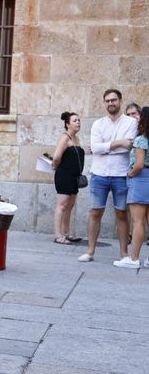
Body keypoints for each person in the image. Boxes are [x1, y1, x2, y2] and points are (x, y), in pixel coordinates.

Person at [78, 89, 137, 263]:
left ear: (120, 100)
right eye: (107, 101)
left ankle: (124, 253)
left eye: (114, 100)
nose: (110, 103)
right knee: (95, 211)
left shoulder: (130, 123)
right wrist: (118, 143)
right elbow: (95, 148)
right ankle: (90, 251)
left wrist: (106, 146)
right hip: (99, 173)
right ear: (104, 103)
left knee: (122, 213)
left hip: (121, 174)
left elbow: (129, 146)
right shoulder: (98, 124)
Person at [116, 106, 149, 268]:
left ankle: (134, 258)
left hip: (141, 179)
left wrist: (130, 174)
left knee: (137, 222)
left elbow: (139, 164)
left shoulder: (141, 140)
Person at [52, 112, 85, 245]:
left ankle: (66, 233)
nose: (78, 122)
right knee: (62, 205)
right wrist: (56, 167)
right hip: (64, 175)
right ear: (67, 124)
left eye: (79, 120)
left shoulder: (76, 139)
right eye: (75, 120)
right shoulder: (64, 138)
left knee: (70, 205)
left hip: (74, 177)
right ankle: (57, 235)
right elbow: (56, 157)